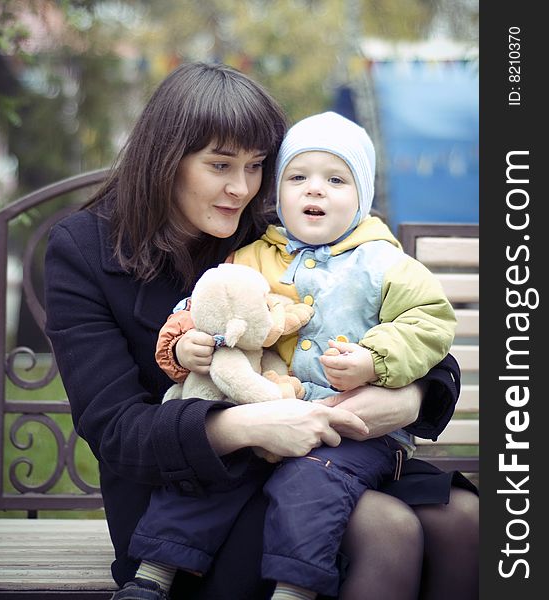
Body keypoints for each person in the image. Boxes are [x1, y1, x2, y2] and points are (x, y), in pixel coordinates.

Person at [43, 62, 478, 600]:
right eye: (220, 165)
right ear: (165, 160)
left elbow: (415, 328)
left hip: (323, 447)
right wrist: (248, 426)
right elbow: (114, 429)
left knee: (464, 519)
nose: (241, 187)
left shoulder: (271, 225)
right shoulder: (85, 251)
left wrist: (409, 397)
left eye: (255, 166)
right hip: (190, 492)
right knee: (385, 530)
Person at [132, 111, 459, 600]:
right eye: (297, 177)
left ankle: (295, 588)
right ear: (278, 192)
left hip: (346, 425)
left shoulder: (383, 261)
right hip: (262, 408)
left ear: (362, 196)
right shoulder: (254, 255)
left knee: (313, 484)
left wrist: (375, 360)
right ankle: (154, 574)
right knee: (214, 471)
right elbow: (207, 303)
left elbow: (430, 321)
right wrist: (184, 343)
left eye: (335, 179)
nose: (315, 190)